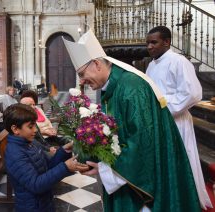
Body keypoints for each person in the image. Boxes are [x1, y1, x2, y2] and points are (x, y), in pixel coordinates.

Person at [62, 29, 200, 211]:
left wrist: (105, 170)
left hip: (145, 185)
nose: (81, 81)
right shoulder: (113, 86)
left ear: (96, 64)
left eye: (82, 74)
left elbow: (142, 143)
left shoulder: (131, 87)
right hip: (129, 176)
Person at [145, 25, 212, 209]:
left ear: (167, 42)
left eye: (154, 42)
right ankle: (167, 198)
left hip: (177, 121)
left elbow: (192, 93)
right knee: (164, 163)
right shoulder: (151, 65)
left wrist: (163, 106)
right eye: (147, 43)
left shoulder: (179, 61)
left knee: (180, 162)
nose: (149, 47)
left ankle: (184, 200)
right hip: (159, 121)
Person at [3, 103, 89, 212]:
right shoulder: (14, 153)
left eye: (35, 125)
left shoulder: (30, 142)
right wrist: (65, 167)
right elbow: (35, 185)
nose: (35, 130)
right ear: (15, 129)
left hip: (44, 202)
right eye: (31, 126)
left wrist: (64, 150)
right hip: (32, 206)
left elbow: (48, 166)